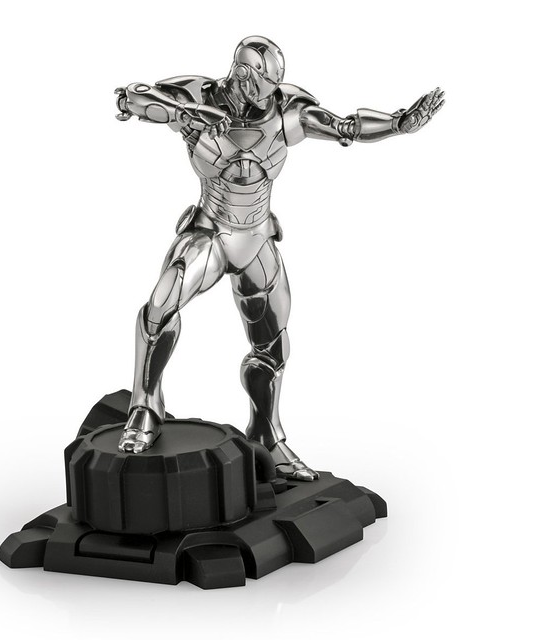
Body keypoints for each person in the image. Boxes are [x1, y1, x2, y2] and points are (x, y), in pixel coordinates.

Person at [114, 36, 444, 480]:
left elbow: (346, 127)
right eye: (261, 84)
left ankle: (267, 435)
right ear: (242, 74)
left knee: (272, 346)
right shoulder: (199, 96)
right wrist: (183, 114)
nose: (267, 95)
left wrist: (398, 124)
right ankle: (145, 408)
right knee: (160, 307)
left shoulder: (287, 110)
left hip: (257, 237)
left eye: (273, 86)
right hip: (210, 233)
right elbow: (132, 97)